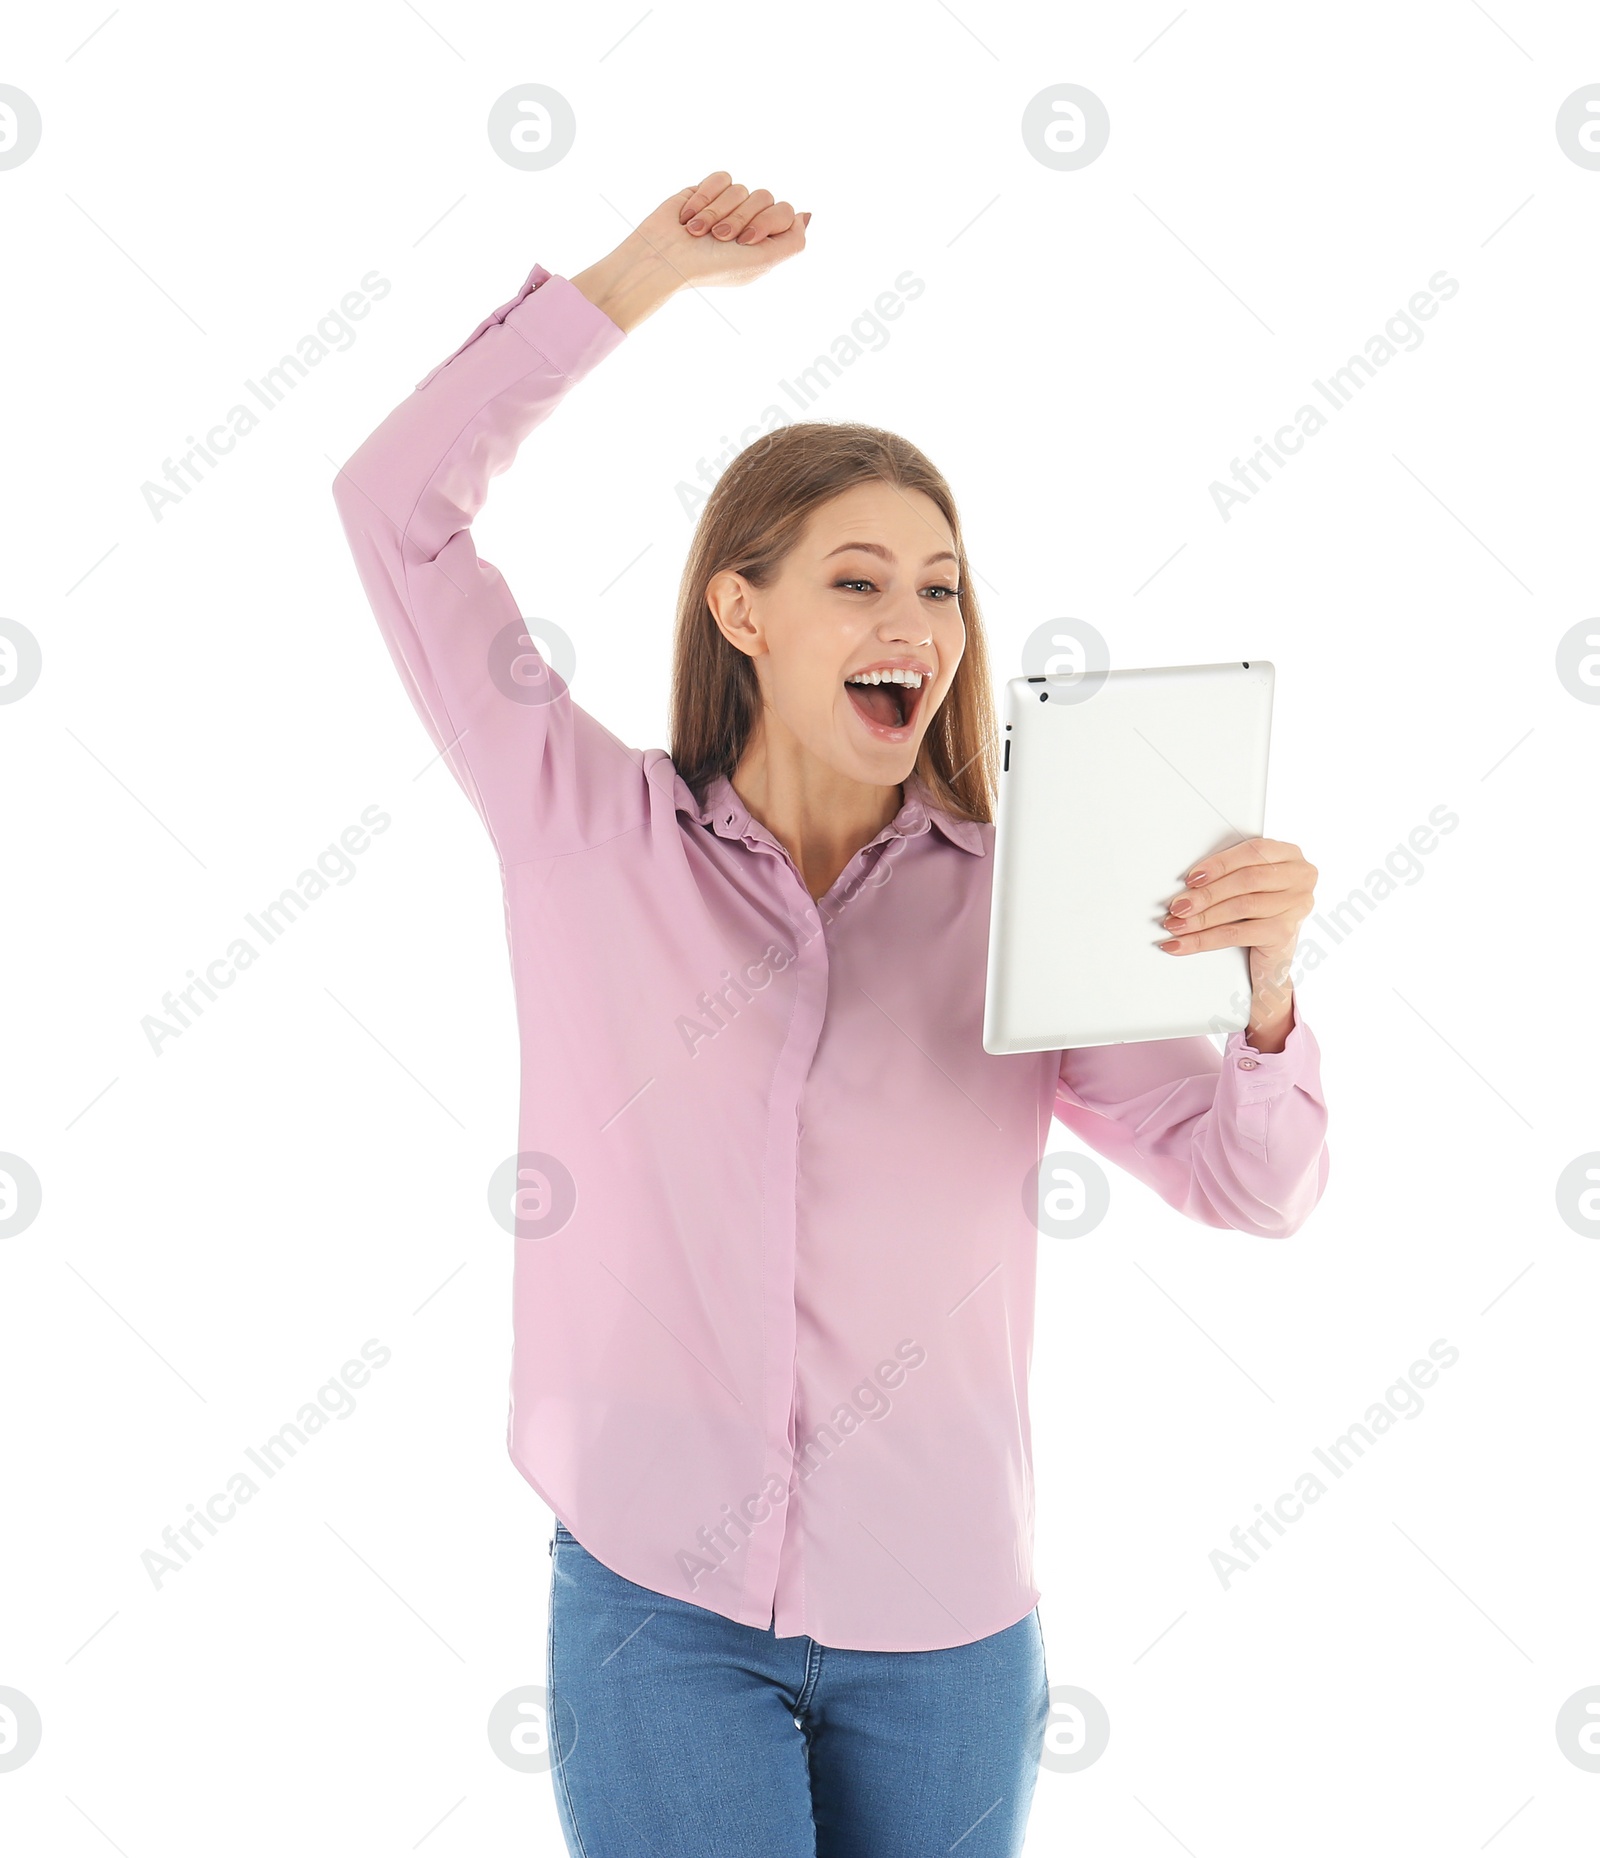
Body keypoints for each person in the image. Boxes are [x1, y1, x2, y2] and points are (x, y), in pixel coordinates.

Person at [331, 171, 1329, 1858]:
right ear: (746, 609)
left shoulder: (1028, 890)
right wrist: (627, 284)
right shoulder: (584, 828)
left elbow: (1253, 1185)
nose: (916, 628)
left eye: (942, 590)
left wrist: (1271, 992)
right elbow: (391, 509)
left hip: (943, 1622)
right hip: (660, 1604)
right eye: (862, 583)